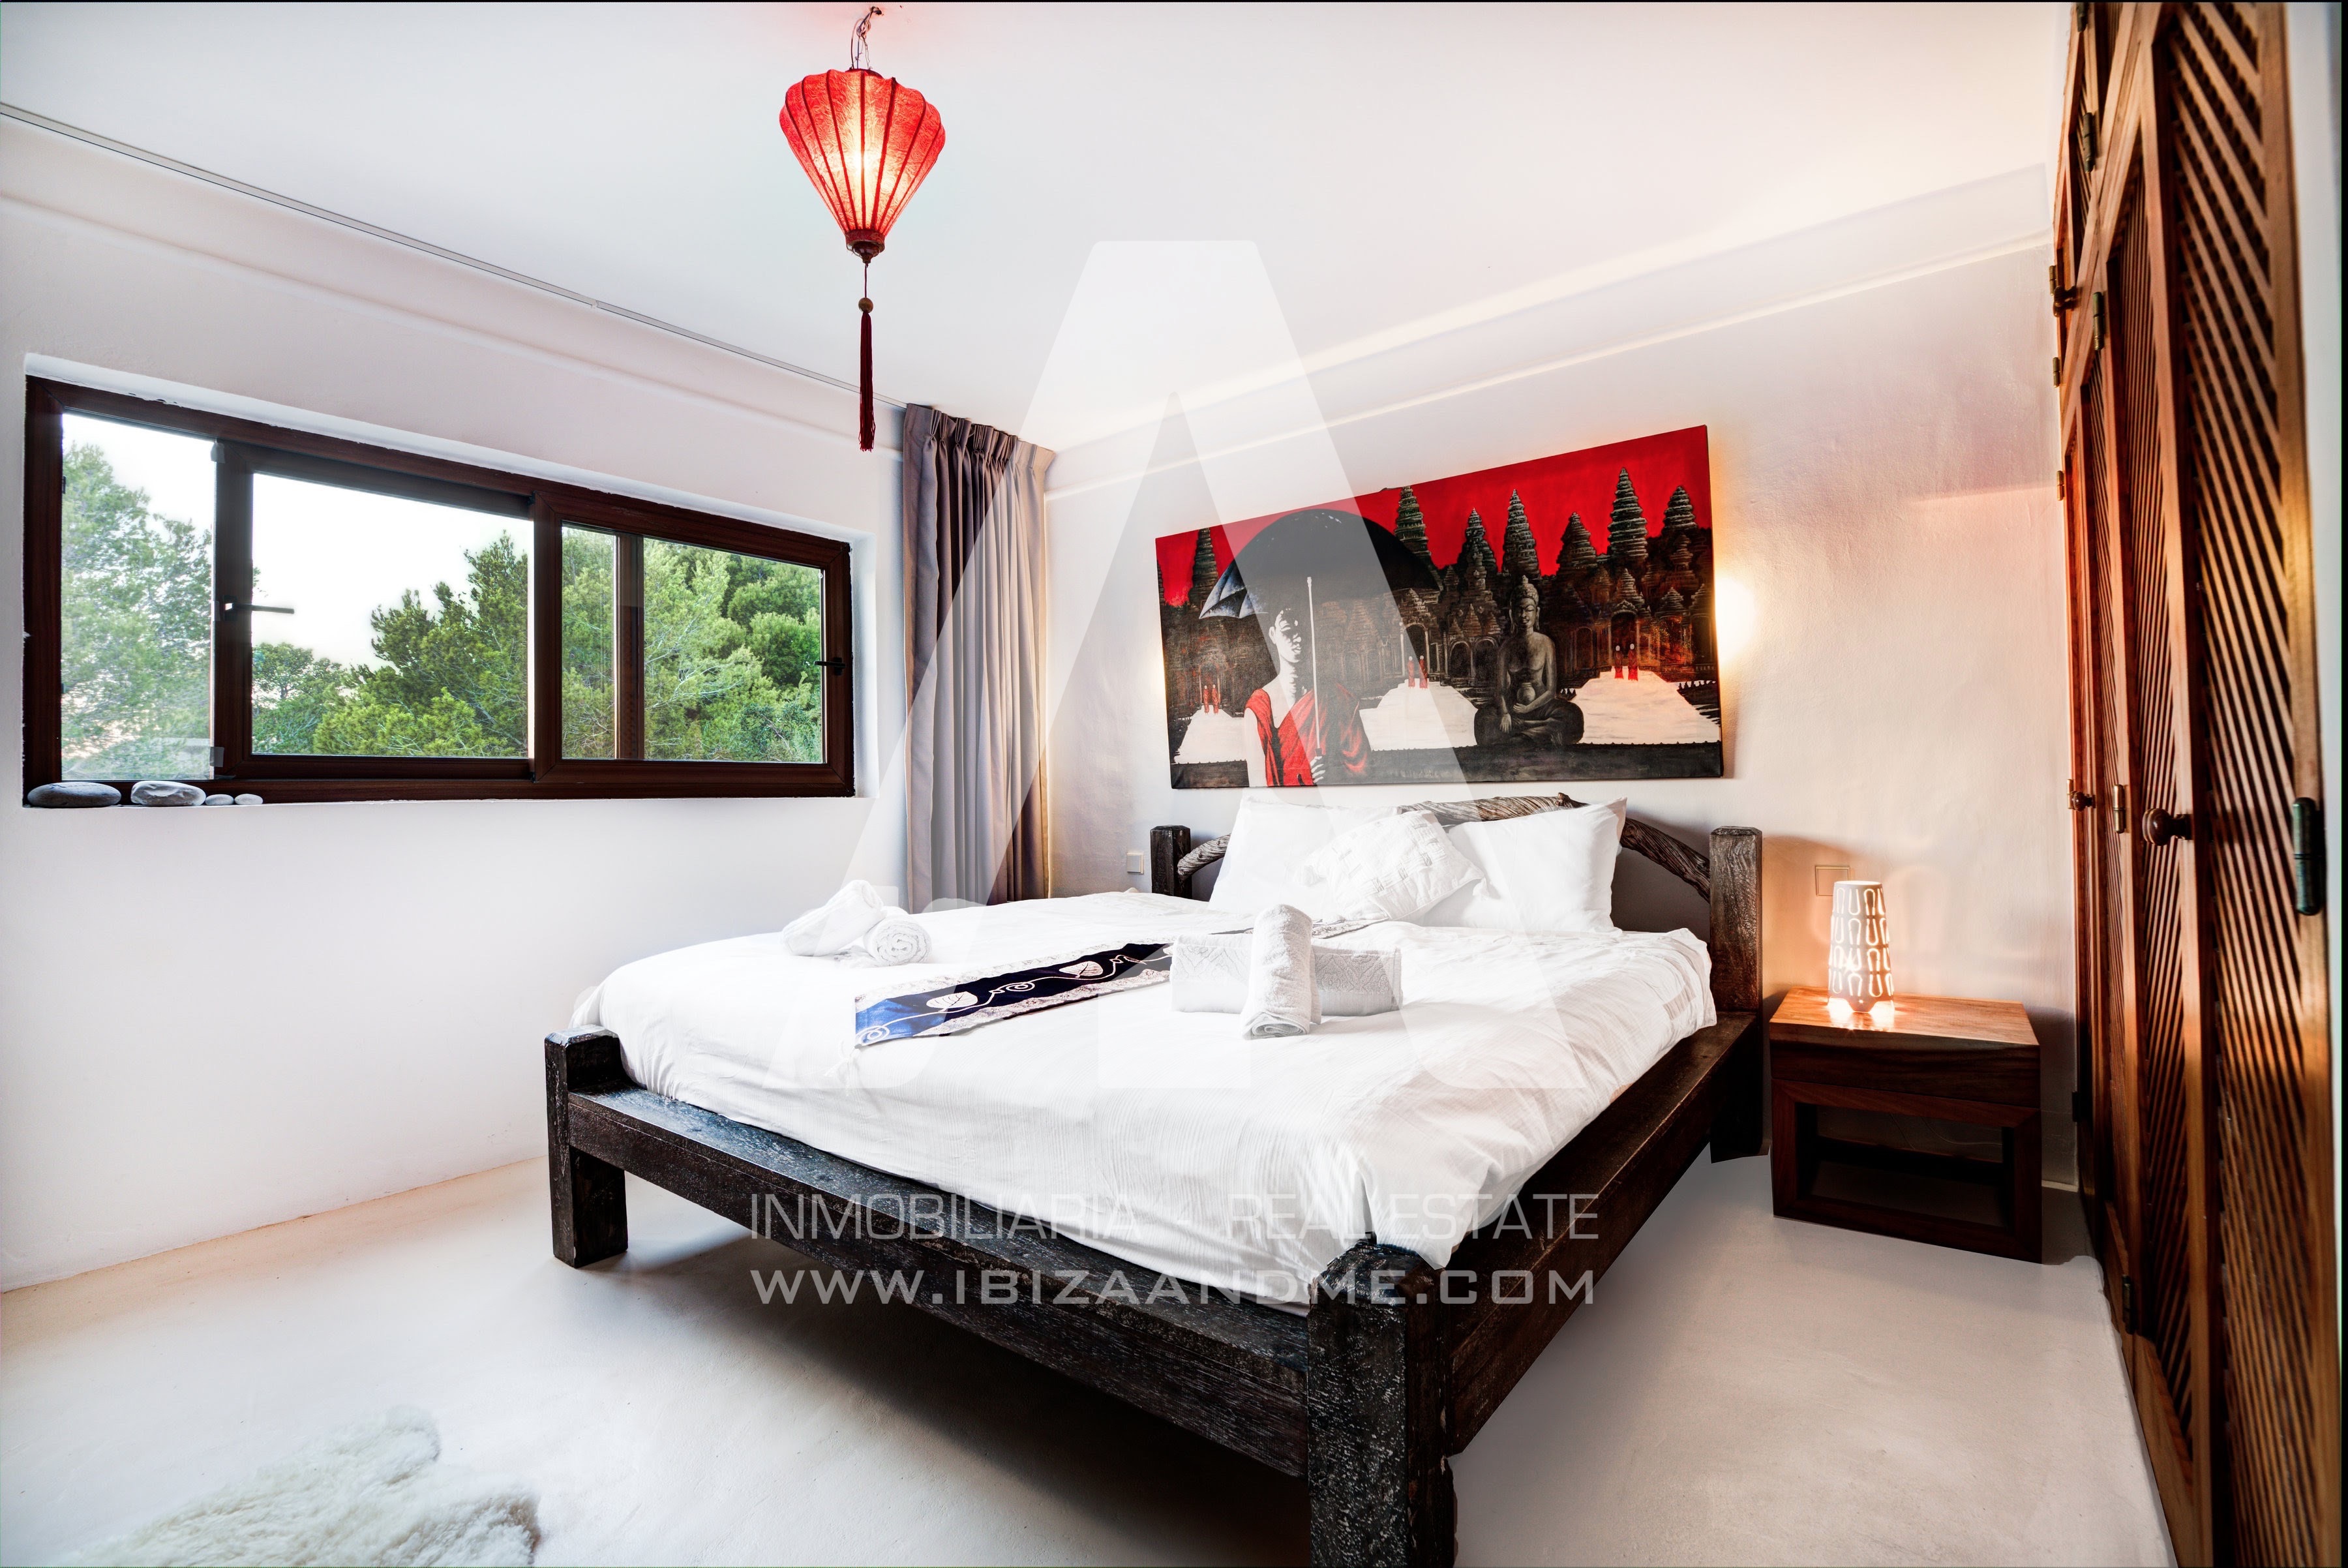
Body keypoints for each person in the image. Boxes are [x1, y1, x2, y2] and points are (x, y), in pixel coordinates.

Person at [1243, 590, 1369, 786]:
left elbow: (1363, 769)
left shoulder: (1334, 696)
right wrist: (1302, 776)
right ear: (1273, 635)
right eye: (1288, 631)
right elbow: (1259, 787)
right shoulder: (1259, 708)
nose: (1298, 639)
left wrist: (1333, 773)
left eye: (1302, 630)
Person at [1477, 578, 1579, 747]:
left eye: (1529, 610)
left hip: (1541, 707)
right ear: (1512, 614)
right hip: (1513, 709)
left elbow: (1551, 691)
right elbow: (1501, 690)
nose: (1524, 615)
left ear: (1537, 613)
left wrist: (1529, 708)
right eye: (1519, 611)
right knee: (1483, 719)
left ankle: (1522, 732)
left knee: (1573, 716)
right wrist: (1505, 713)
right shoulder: (1506, 648)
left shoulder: (1546, 643)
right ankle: (1536, 732)